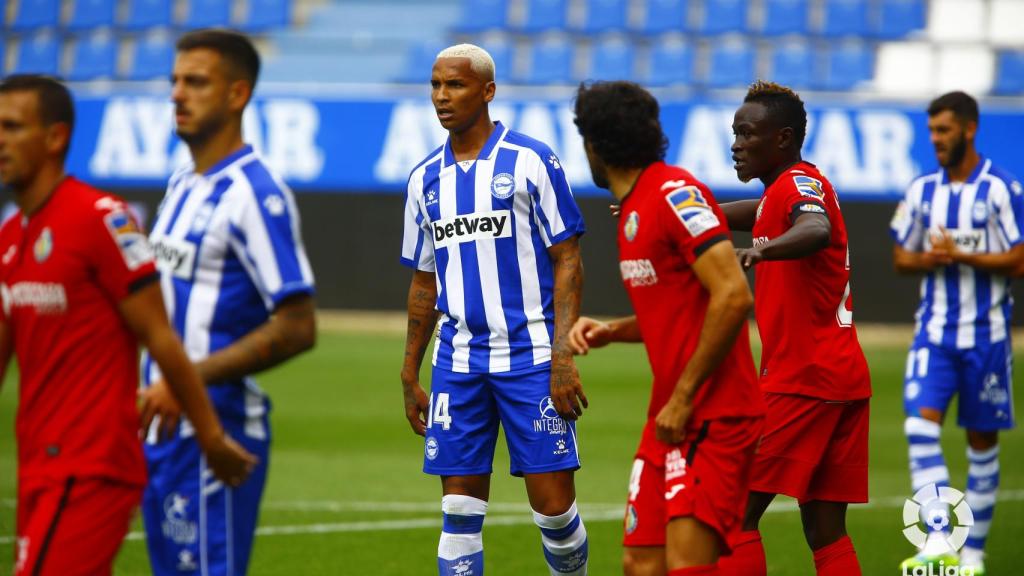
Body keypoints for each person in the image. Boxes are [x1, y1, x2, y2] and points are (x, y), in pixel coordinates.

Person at [0, 75, 256, 576]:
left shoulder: (101, 219)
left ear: (55, 137)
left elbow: (160, 335)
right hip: (35, 461)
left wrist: (209, 436)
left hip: (91, 463)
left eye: (12, 127)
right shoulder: (11, 236)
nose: (0, 140)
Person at [400, 44, 589, 576]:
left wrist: (563, 355)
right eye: (435, 85)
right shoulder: (423, 179)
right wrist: (410, 370)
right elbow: (423, 281)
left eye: (454, 85)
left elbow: (568, 258)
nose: (441, 97)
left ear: (487, 91)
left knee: (554, 512)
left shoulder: (530, 160)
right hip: (457, 364)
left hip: (530, 359)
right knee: (458, 512)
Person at [138, 29, 317, 576]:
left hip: (214, 430)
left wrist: (184, 379)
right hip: (161, 428)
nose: (177, 95)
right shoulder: (183, 183)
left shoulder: (253, 195)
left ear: (237, 94)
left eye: (195, 82)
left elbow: (297, 327)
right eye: (174, 81)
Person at [568, 81, 765, 576]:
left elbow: (734, 295)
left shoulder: (674, 194)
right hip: (669, 418)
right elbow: (680, 312)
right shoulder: (632, 208)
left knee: (686, 566)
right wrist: (613, 331)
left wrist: (682, 397)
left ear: (596, 144)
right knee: (640, 562)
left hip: (711, 415)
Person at [715, 81, 871, 576]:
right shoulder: (777, 193)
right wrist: (678, 216)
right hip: (840, 378)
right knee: (825, 530)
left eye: (746, 134)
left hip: (805, 379)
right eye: (734, 133)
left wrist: (762, 251)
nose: (736, 144)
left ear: (782, 138)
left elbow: (815, 228)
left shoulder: (800, 185)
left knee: (733, 510)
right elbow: (750, 214)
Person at [890, 91, 1023, 575]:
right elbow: (900, 256)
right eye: (931, 132)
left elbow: (1020, 258)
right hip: (935, 336)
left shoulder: (1002, 190)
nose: (936, 140)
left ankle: (974, 554)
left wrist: (963, 255)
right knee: (919, 427)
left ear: (969, 129)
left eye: (943, 131)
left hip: (986, 339)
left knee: (981, 446)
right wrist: (927, 258)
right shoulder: (921, 190)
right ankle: (939, 540)